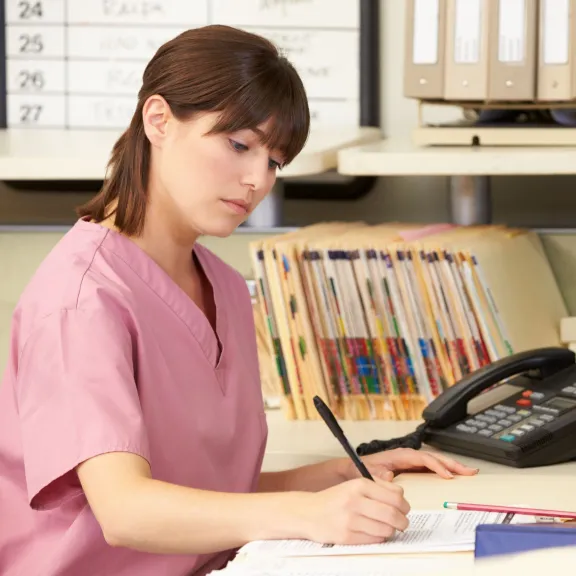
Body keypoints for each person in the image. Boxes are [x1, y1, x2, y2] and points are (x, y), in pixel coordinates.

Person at [0, 24, 478, 576]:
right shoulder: (81, 300)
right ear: (158, 120)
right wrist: (308, 512)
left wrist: (337, 477)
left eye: (274, 161)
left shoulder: (224, 285)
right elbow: (125, 512)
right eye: (238, 145)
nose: (257, 179)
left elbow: (208, 494)